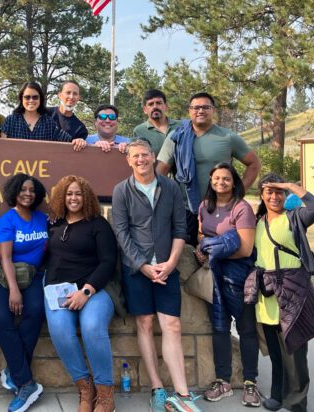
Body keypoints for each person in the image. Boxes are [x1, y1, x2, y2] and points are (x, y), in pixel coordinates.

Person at [111, 140, 200, 412]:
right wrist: (142, 265)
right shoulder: (121, 191)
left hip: (166, 267)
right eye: (135, 156)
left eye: (145, 155)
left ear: (153, 157)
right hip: (137, 270)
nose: (141, 160)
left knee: (171, 324)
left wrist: (172, 262)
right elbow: (122, 233)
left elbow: (179, 229)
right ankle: (157, 388)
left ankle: (183, 394)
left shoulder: (170, 187)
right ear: (128, 160)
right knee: (146, 324)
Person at [244, 175, 314, 412]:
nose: (274, 197)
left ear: (285, 194)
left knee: (295, 351)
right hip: (267, 293)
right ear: (261, 195)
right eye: (269, 192)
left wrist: (290, 185)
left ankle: (296, 402)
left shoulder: (295, 218)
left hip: (292, 291)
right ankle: (277, 394)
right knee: (275, 352)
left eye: (279, 192)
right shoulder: (257, 222)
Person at [45, 175, 118, 412]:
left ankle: (105, 395)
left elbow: (108, 262)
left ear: (85, 197)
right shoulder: (53, 223)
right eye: (68, 193)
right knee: (61, 331)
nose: (73, 198)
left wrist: (86, 291)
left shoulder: (98, 224)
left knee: (92, 327)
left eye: (77, 193)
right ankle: (86, 389)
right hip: (58, 290)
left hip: (94, 289)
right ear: (61, 197)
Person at [157, 92, 261, 247]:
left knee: (218, 256)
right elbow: (160, 171)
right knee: (185, 257)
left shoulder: (228, 137)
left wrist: (238, 192)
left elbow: (254, 163)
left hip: (220, 210)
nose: (200, 111)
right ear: (189, 111)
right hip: (185, 210)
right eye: (196, 107)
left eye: (206, 107)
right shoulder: (176, 137)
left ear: (213, 110)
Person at [195, 163, 260, 407]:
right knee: (219, 328)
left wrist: (212, 250)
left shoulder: (242, 208)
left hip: (238, 274)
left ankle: (250, 382)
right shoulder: (205, 206)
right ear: (211, 181)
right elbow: (201, 235)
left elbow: (244, 248)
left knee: (246, 328)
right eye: (217, 178)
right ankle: (222, 381)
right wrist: (205, 247)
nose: (221, 182)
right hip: (214, 274)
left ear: (234, 182)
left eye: (226, 179)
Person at [0, 174, 47, 412]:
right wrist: (13, 291)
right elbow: (5, 257)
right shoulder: (7, 221)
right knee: (2, 318)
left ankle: (14, 371)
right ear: (14, 193)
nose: (28, 194)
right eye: (22, 190)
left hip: (31, 275)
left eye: (32, 190)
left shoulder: (43, 218)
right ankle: (26, 382)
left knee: (37, 312)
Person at [0, 81, 87, 151]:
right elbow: (1, 148)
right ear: (21, 98)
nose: (31, 100)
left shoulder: (48, 122)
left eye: (35, 97)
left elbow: (69, 141)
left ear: (40, 99)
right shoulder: (10, 121)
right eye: (27, 97)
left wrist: (79, 141)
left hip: (42, 170)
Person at [132, 89, 179, 154]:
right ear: (145, 110)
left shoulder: (180, 126)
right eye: (150, 104)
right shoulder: (139, 131)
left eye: (159, 103)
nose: (155, 107)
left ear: (166, 106)